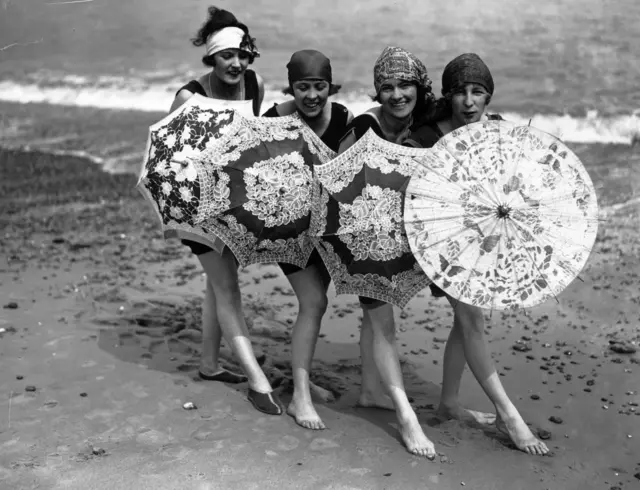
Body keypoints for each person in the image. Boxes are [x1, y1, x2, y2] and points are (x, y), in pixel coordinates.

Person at [410, 53, 550, 456]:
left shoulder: (500, 131)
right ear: (449, 96)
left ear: (489, 97)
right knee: (472, 320)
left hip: (487, 238)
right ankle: (510, 416)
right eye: (460, 93)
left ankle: (449, 402)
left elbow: (521, 181)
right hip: (442, 240)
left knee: (467, 322)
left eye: (478, 92)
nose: (469, 102)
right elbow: (417, 197)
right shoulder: (426, 137)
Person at [169, 6, 282, 416]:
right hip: (195, 205)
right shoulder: (189, 96)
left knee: (218, 284)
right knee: (228, 289)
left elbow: (251, 140)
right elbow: (171, 159)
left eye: (242, 54)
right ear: (211, 58)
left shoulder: (255, 84)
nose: (236, 63)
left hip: (234, 200)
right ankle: (257, 382)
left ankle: (209, 365)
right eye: (226, 56)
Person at [335, 46, 438, 459]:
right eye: (387, 87)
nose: (396, 94)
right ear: (378, 93)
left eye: (404, 84)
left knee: (375, 323)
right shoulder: (364, 126)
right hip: (364, 233)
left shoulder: (424, 123)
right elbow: (337, 182)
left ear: (419, 86)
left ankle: (369, 392)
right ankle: (406, 417)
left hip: (406, 233)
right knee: (383, 326)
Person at [262, 50, 353, 430]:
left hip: (325, 228)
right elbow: (257, 172)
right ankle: (300, 396)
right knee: (313, 302)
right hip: (286, 227)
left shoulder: (344, 118)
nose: (312, 95)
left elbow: (348, 174)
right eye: (303, 87)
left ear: (329, 86)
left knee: (317, 305)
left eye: (319, 86)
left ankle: (305, 380)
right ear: (292, 88)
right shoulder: (273, 120)